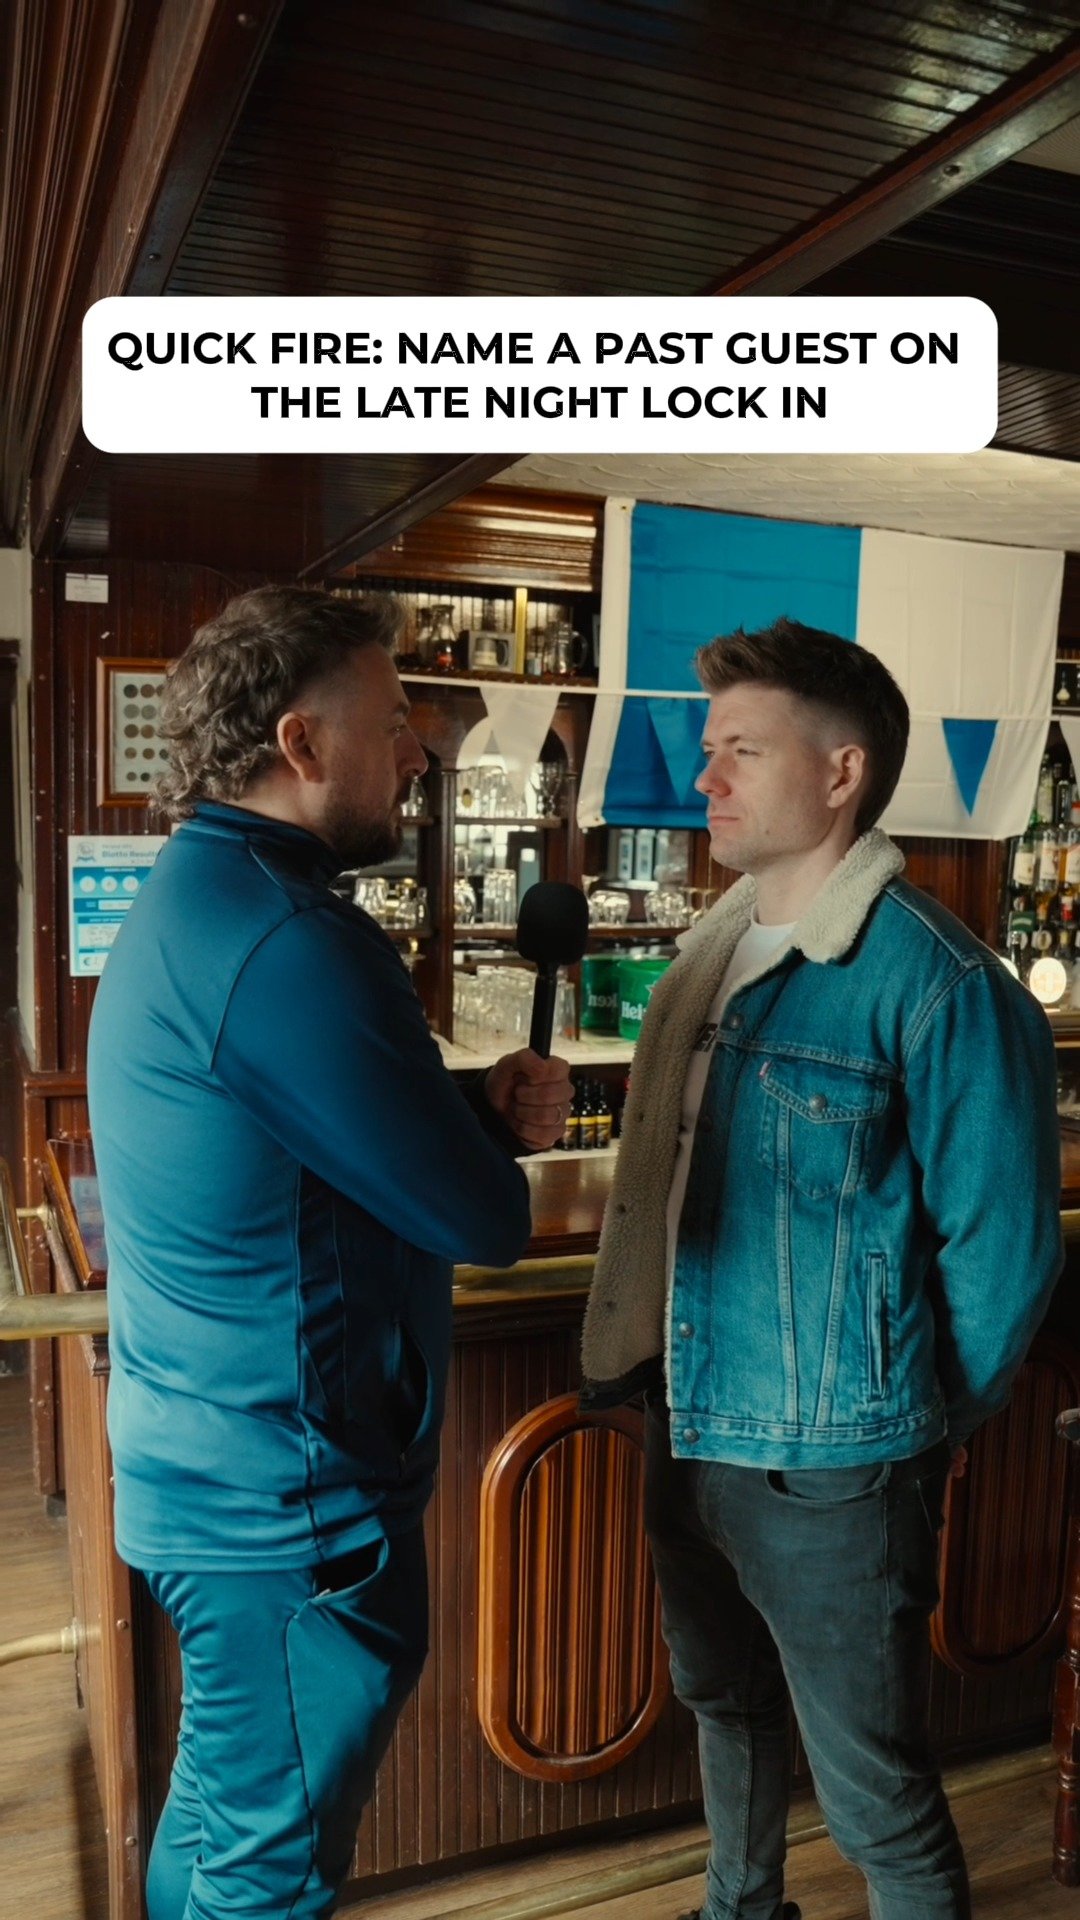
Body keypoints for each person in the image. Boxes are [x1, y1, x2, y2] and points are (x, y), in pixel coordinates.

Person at [87, 586, 572, 1920]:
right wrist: (480, 1148)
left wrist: (470, 1112)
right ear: (301, 742)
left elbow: (296, 1148)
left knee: (221, 1816)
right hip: (285, 1506)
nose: (419, 751)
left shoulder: (204, 892)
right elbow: (484, 1222)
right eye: (396, 720)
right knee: (269, 1867)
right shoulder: (292, 937)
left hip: (211, 1469)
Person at [581, 617, 1062, 1920]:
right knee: (724, 1706)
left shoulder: (940, 982)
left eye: (741, 750)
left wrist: (899, 1425)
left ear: (842, 773)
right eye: (710, 748)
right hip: (686, 1416)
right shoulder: (711, 955)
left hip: (834, 1465)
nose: (705, 776)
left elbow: (1005, 1253)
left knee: (877, 1800)